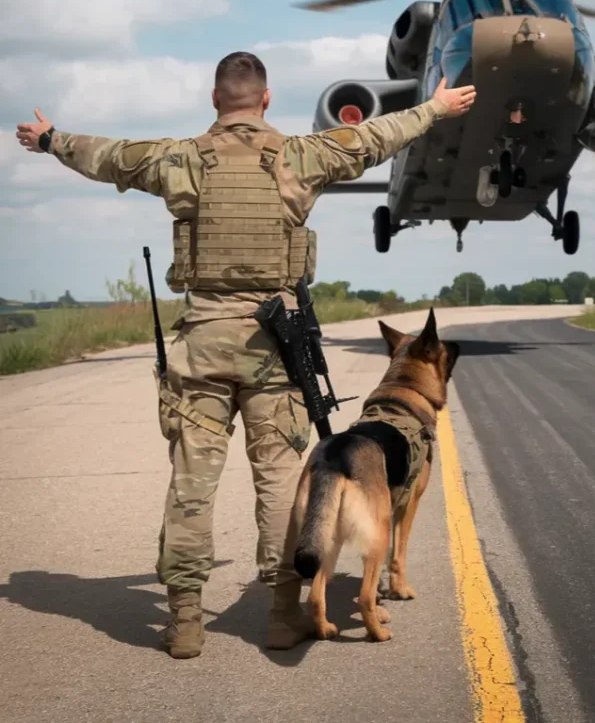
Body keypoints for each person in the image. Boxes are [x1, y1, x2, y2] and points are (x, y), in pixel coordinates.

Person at [15, 51, 476, 658]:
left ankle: (184, 623)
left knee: (190, 487)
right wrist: (435, 108)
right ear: (265, 99)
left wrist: (50, 138)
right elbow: (373, 138)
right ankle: (284, 618)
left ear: (215, 100)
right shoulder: (300, 156)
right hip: (272, 351)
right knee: (283, 487)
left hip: (201, 349)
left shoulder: (178, 158)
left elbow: (106, 156)